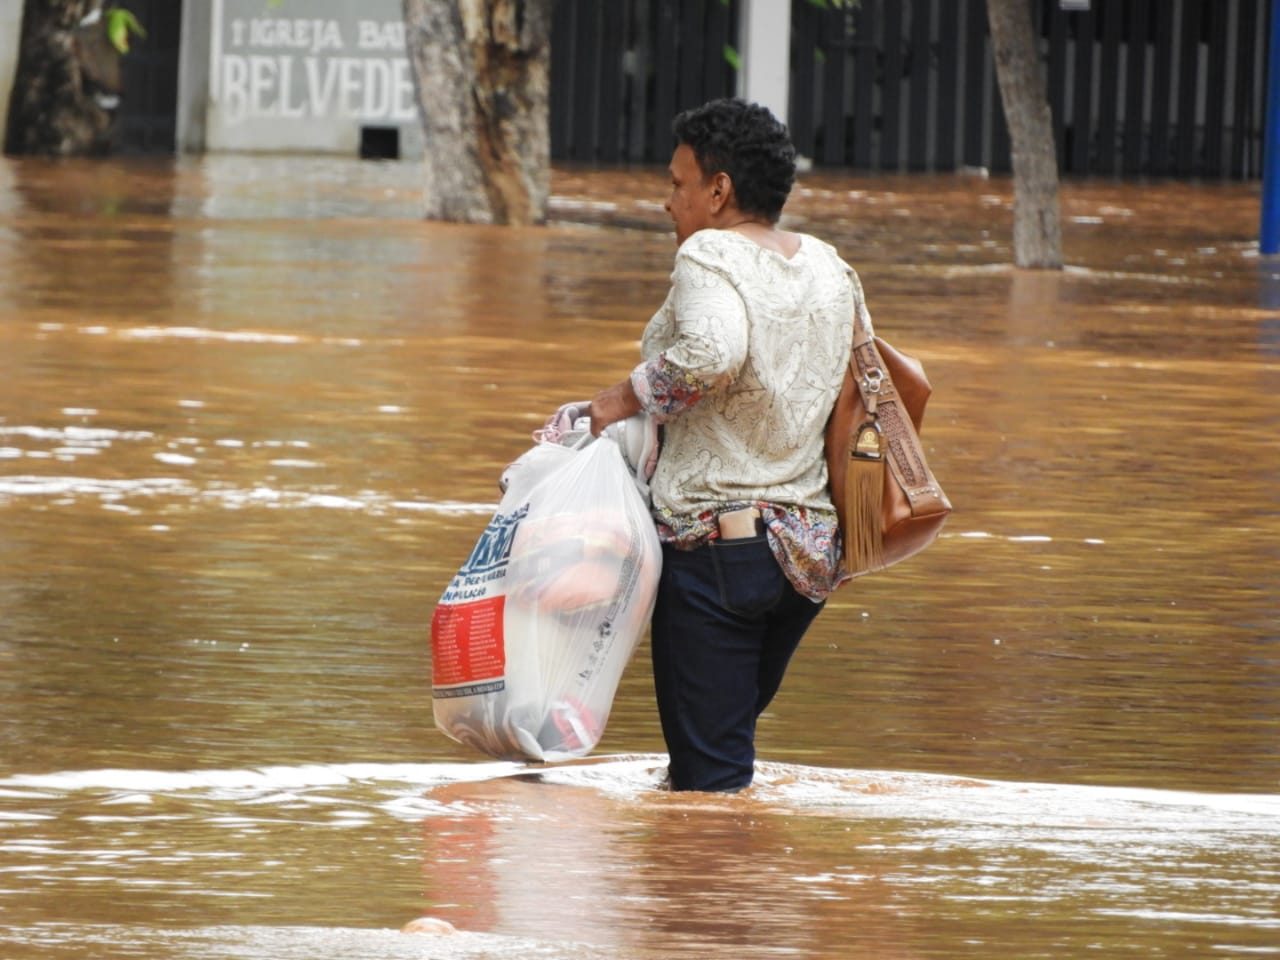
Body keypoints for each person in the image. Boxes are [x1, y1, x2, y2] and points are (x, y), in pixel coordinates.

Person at [587, 98, 873, 792]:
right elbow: (860, 385)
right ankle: (725, 863)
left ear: (718, 191)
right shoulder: (830, 265)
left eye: (677, 183)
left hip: (718, 551)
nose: (667, 202)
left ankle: (714, 868)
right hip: (807, 560)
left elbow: (710, 355)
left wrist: (615, 402)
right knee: (716, 763)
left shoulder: (709, 252)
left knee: (707, 791)